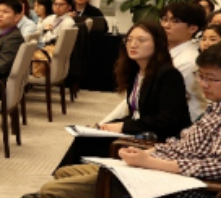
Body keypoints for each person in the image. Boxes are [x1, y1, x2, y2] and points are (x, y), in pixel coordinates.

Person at [31, 42, 221, 198]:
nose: (203, 84)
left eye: (211, 78)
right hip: (164, 173)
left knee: (53, 194)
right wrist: (148, 153)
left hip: (179, 189)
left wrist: (151, 163)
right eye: (200, 76)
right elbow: (187, 144)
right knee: (66, 173)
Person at [32, 22, 190, 184]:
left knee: (89, 143)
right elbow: (136, 111)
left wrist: (122, 126)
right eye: (129, 40)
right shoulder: (136, 71)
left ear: (158, 44)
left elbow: (168, 119)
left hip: (159, 137)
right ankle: (62, 182)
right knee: (86, 137)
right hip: (142, 129)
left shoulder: (168, 74)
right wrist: (105, 126)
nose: (133, 44)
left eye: (141, 40)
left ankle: (62, 184)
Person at [160, 1, 206, 121]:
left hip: (182, 122)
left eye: (175, 21)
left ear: (193, 28)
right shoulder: (162, 52)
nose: (166, 25)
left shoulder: (188, 61)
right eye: (164, 19)